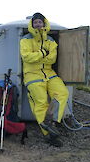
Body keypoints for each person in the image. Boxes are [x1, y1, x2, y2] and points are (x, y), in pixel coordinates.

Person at [20, 12, 69, 147]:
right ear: (32, 24)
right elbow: (26, 57)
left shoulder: (50, 41)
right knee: (41, 102)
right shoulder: (25, 39)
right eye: (35, 22)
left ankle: (52, 122)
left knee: (62, 93)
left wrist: (38, 56)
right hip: (32, 74)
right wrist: (42, 53)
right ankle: (49, 135)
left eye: (40, 22)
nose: (38, 24)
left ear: (44, 23)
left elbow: (52, 58)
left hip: (49, 73)